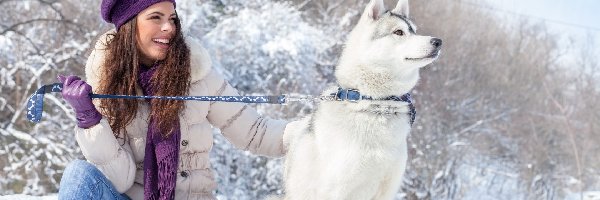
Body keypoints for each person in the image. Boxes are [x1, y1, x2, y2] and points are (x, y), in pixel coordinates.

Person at [57, 0, 296, 199]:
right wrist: (90, 121)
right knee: (78, 174)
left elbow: (256, 133)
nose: (168, 27)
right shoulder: (109, 84)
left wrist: (317, 128)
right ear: (129, 25)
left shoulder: (197, 73)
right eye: (155, 17)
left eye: (172, 18)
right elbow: (119, 179)